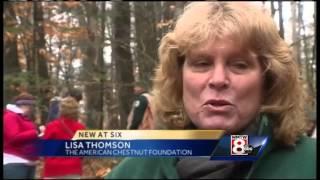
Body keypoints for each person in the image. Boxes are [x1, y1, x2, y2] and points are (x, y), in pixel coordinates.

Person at [105, 2, 316, 179]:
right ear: (179, 77)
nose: (218, 80)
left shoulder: (308, 164)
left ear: (269, 80)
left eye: (239, 65)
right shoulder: (136, 170)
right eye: (202, 63)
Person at [42, 97, 86, 179]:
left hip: (53, 168)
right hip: (73, 168)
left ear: (61, 110)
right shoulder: (80, 128)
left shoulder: (51, 126)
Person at [3, 92, 40, 179]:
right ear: (26, 105)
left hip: (28, 163)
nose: (32, 109)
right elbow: (13, 137)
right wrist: (34, 132)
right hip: (15, 163)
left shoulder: (23, 118)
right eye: (32, 106)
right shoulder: (10, 116)